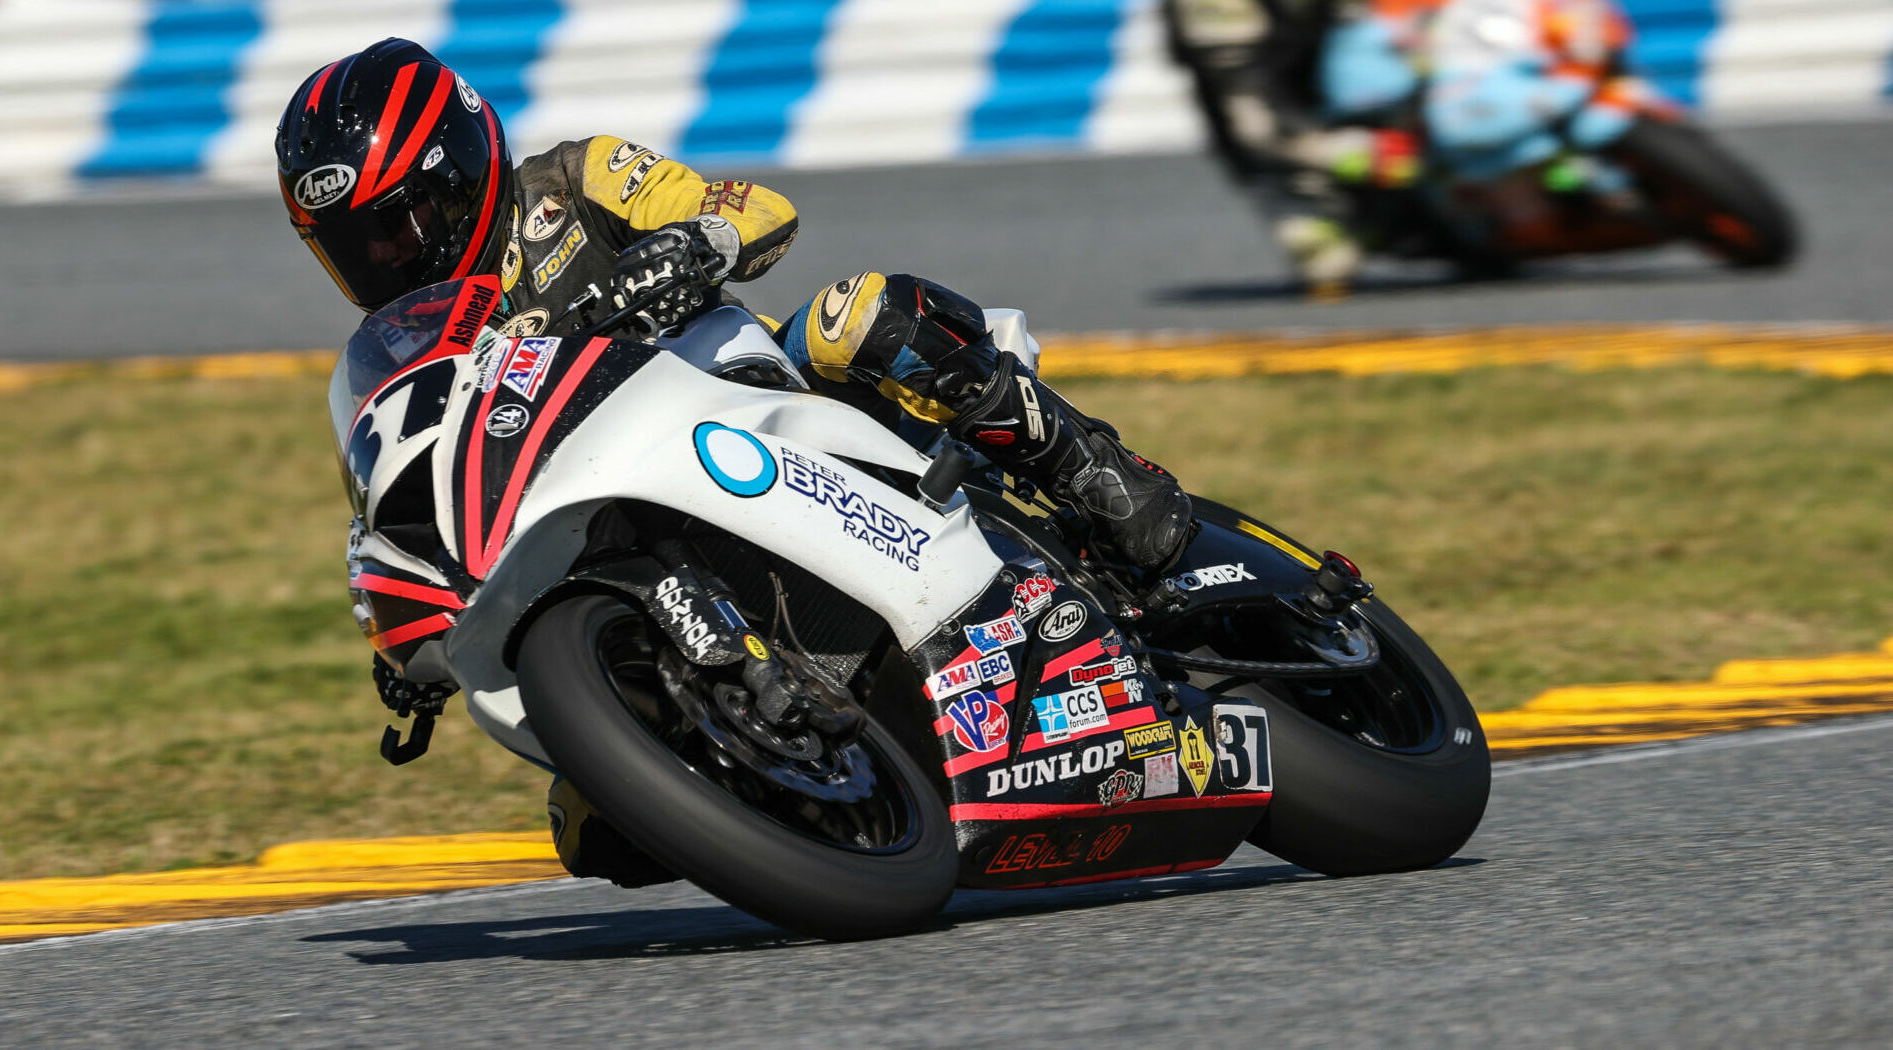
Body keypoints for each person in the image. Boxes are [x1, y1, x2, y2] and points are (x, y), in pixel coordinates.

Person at [276, 38, 1193, 882]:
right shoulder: (406, 351)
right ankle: (814, 768)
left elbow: (752, 207)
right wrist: (415, 626)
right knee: (594, 835)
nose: (387, 257)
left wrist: (690, 242)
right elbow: (410, 488)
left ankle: (1095, 474)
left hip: (755, 398)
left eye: (400, 221)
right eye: (355, 247)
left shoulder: (573, 181)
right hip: (612, 515)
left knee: (858, 315)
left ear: (466, 171)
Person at [1163, 0, 1430, 292]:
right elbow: (1253, 124)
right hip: (1297, 146)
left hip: (1357, 96)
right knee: (1322, 255)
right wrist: (1356, 154)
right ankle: (1353, 215)